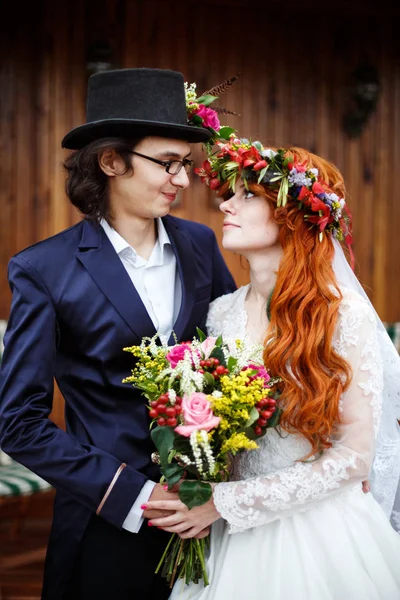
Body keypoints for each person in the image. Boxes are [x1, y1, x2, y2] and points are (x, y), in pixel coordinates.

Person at [0, 68, 236, 600]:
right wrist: (134, 495)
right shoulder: (44, 269)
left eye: (186, 164)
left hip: (207, 511)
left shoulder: (200, 244)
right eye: (167, 163)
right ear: (111, 161)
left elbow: (233, 360)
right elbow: (18, 423)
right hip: (107, 520)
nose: (181, 178)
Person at [143, 137, 400, 599]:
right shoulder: (221, 312)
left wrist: (223, 503)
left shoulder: (343, 318)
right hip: (226, 533)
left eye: (246, 196)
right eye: (230, 194)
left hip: (314, 537)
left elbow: (354, 458)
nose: (226, 204)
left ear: (292, 217)